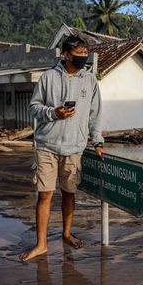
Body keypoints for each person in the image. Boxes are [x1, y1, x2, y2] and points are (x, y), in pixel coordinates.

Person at [19, 35, 105, 262]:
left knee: (69, 193)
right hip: (47, 145)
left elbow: (95, 114)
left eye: (85, 55)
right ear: (66, 55)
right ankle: (42, 245)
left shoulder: (90, 80)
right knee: (45, 195)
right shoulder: (48, 78)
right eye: (78, 55)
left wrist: (98, 142)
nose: (83, 59)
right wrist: (53, 113)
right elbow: (34, 107)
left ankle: (67, 233)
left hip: (74, 147)